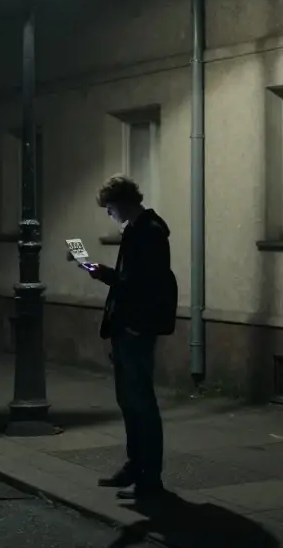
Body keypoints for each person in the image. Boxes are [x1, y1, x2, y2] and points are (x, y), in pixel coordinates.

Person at [83, 174, 172, 501]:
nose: (109, 214)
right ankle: (136, 467)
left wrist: (136, 325)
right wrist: (106, 273)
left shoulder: (149, 232)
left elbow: (145, 284)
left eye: (109, 207)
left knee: (141, 403)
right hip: (127, 326)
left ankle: (150, 477)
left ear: (122, 203)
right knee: (129, 401)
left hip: (136, 328)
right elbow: (131, 279)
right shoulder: (137, 230)